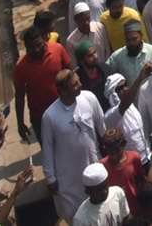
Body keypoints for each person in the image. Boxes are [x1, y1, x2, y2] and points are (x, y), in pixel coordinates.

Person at [42, 69, 108, 223]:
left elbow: (103, 128)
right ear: (63, 91)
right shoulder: (50, 116)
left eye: (79, 81)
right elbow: (47, 150)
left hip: (93, 165)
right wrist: (50, 179)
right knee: (76, 217)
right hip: (69, 178)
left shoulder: (89, 98)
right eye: (75, 84)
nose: (81, 85)